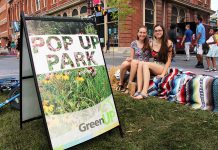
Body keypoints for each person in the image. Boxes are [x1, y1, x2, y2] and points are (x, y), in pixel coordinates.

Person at [133, 24, 173, 100]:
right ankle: (138, 90)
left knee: (145, 64)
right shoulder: (151, 43)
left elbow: (169, 60)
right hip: (154, 65)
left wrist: (163, 74)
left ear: (163, 32)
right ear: (154, 33)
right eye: (156, 31)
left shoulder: (168, 43)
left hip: (163, 67)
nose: (158, 32)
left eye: (160, 30)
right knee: (142, 63)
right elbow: (143, 53)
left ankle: (144, 93)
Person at [116, 26, 151, 95]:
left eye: (144, 33)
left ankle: (129, 84)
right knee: (124, 63)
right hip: (134, 64)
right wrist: (129, 58)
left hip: (143, 65)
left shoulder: (149, 43)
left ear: (146, 34)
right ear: (138, 33)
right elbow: (132, 57)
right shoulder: (133, 43)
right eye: (140, 32)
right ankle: (121, 83)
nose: (142, 34)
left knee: (134, 62)